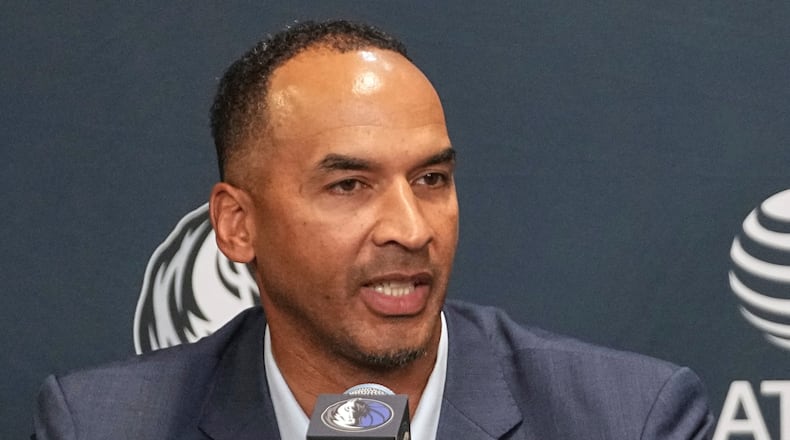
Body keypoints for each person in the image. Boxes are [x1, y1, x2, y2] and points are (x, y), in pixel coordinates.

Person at [33, 19, 715, 439]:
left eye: (431, 179)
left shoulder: (629, 419)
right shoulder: (101, 425)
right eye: (349, 186)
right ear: (238, 226)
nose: (411, 230)